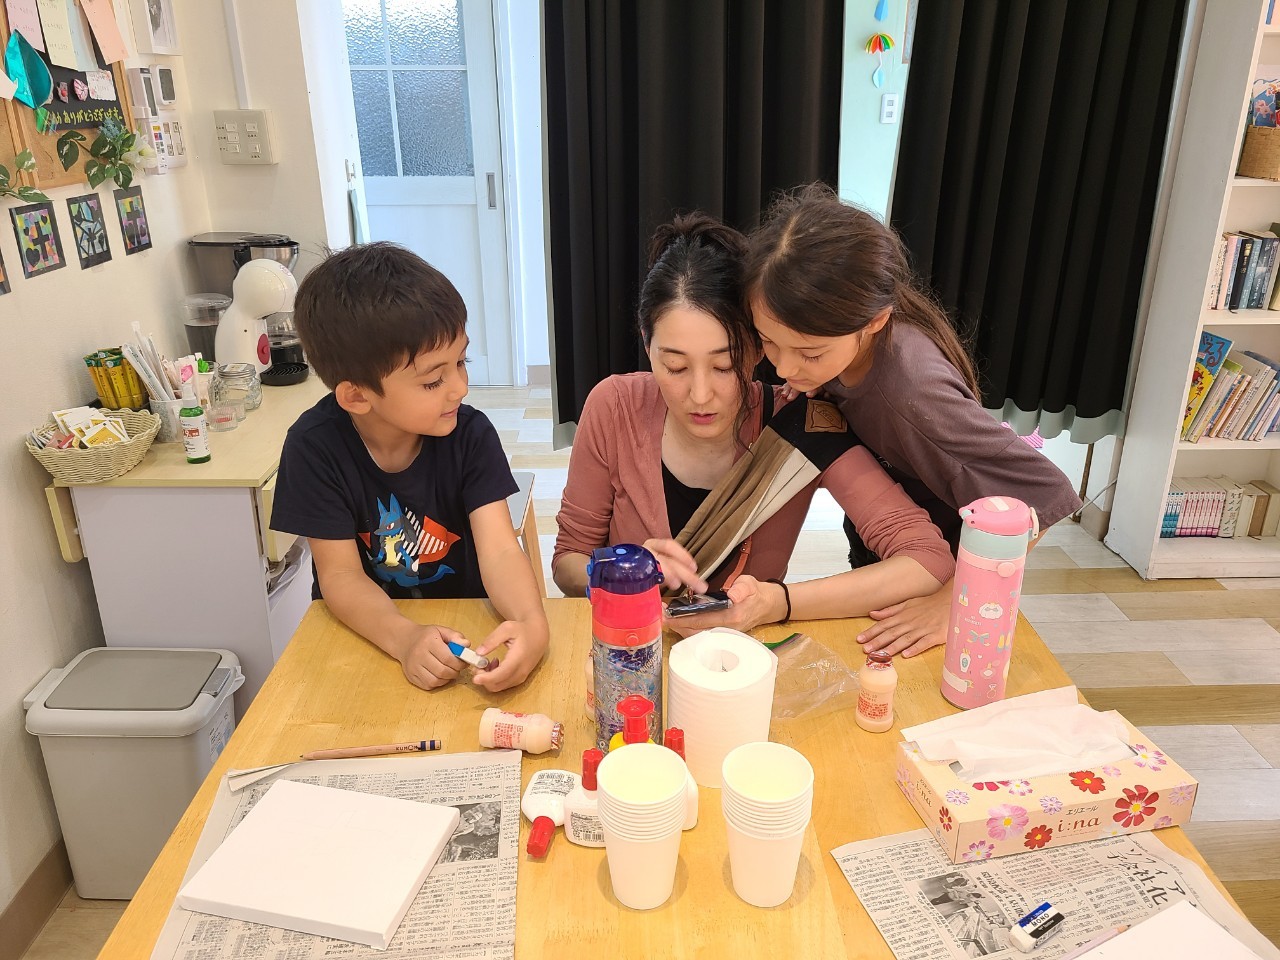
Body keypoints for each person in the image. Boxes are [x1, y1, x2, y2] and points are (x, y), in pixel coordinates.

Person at [553, 214, 955, 632]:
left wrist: (777, 603)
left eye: (725, 366)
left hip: (743, 661)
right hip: (629, 649)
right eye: (675, 366)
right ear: (646, 343)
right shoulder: (615, 407)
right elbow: (568, 562)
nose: (700, 394)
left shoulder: (800, 426)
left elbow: (928, 560)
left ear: (759, 348)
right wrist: (620, 571)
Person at [744, 183, 1081, 657]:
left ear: (874, 320)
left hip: (946, 570)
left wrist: (954, 599)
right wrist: (817, 374)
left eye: (809, 352)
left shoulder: (912, 390)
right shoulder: (846, 350)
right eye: (770, 342)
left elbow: (1041, 496)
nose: (783, 368)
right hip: (888, 539)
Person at [271, 242, 549, 693]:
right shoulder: (313, 448)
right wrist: (404, 639)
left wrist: (531, 621)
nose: (460, 388)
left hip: (467, 626)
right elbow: (340, 576)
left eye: (462, 361)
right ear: (357, 396)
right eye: (433, 380)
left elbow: (500, 550)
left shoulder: (470, 435)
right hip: (366, 638)